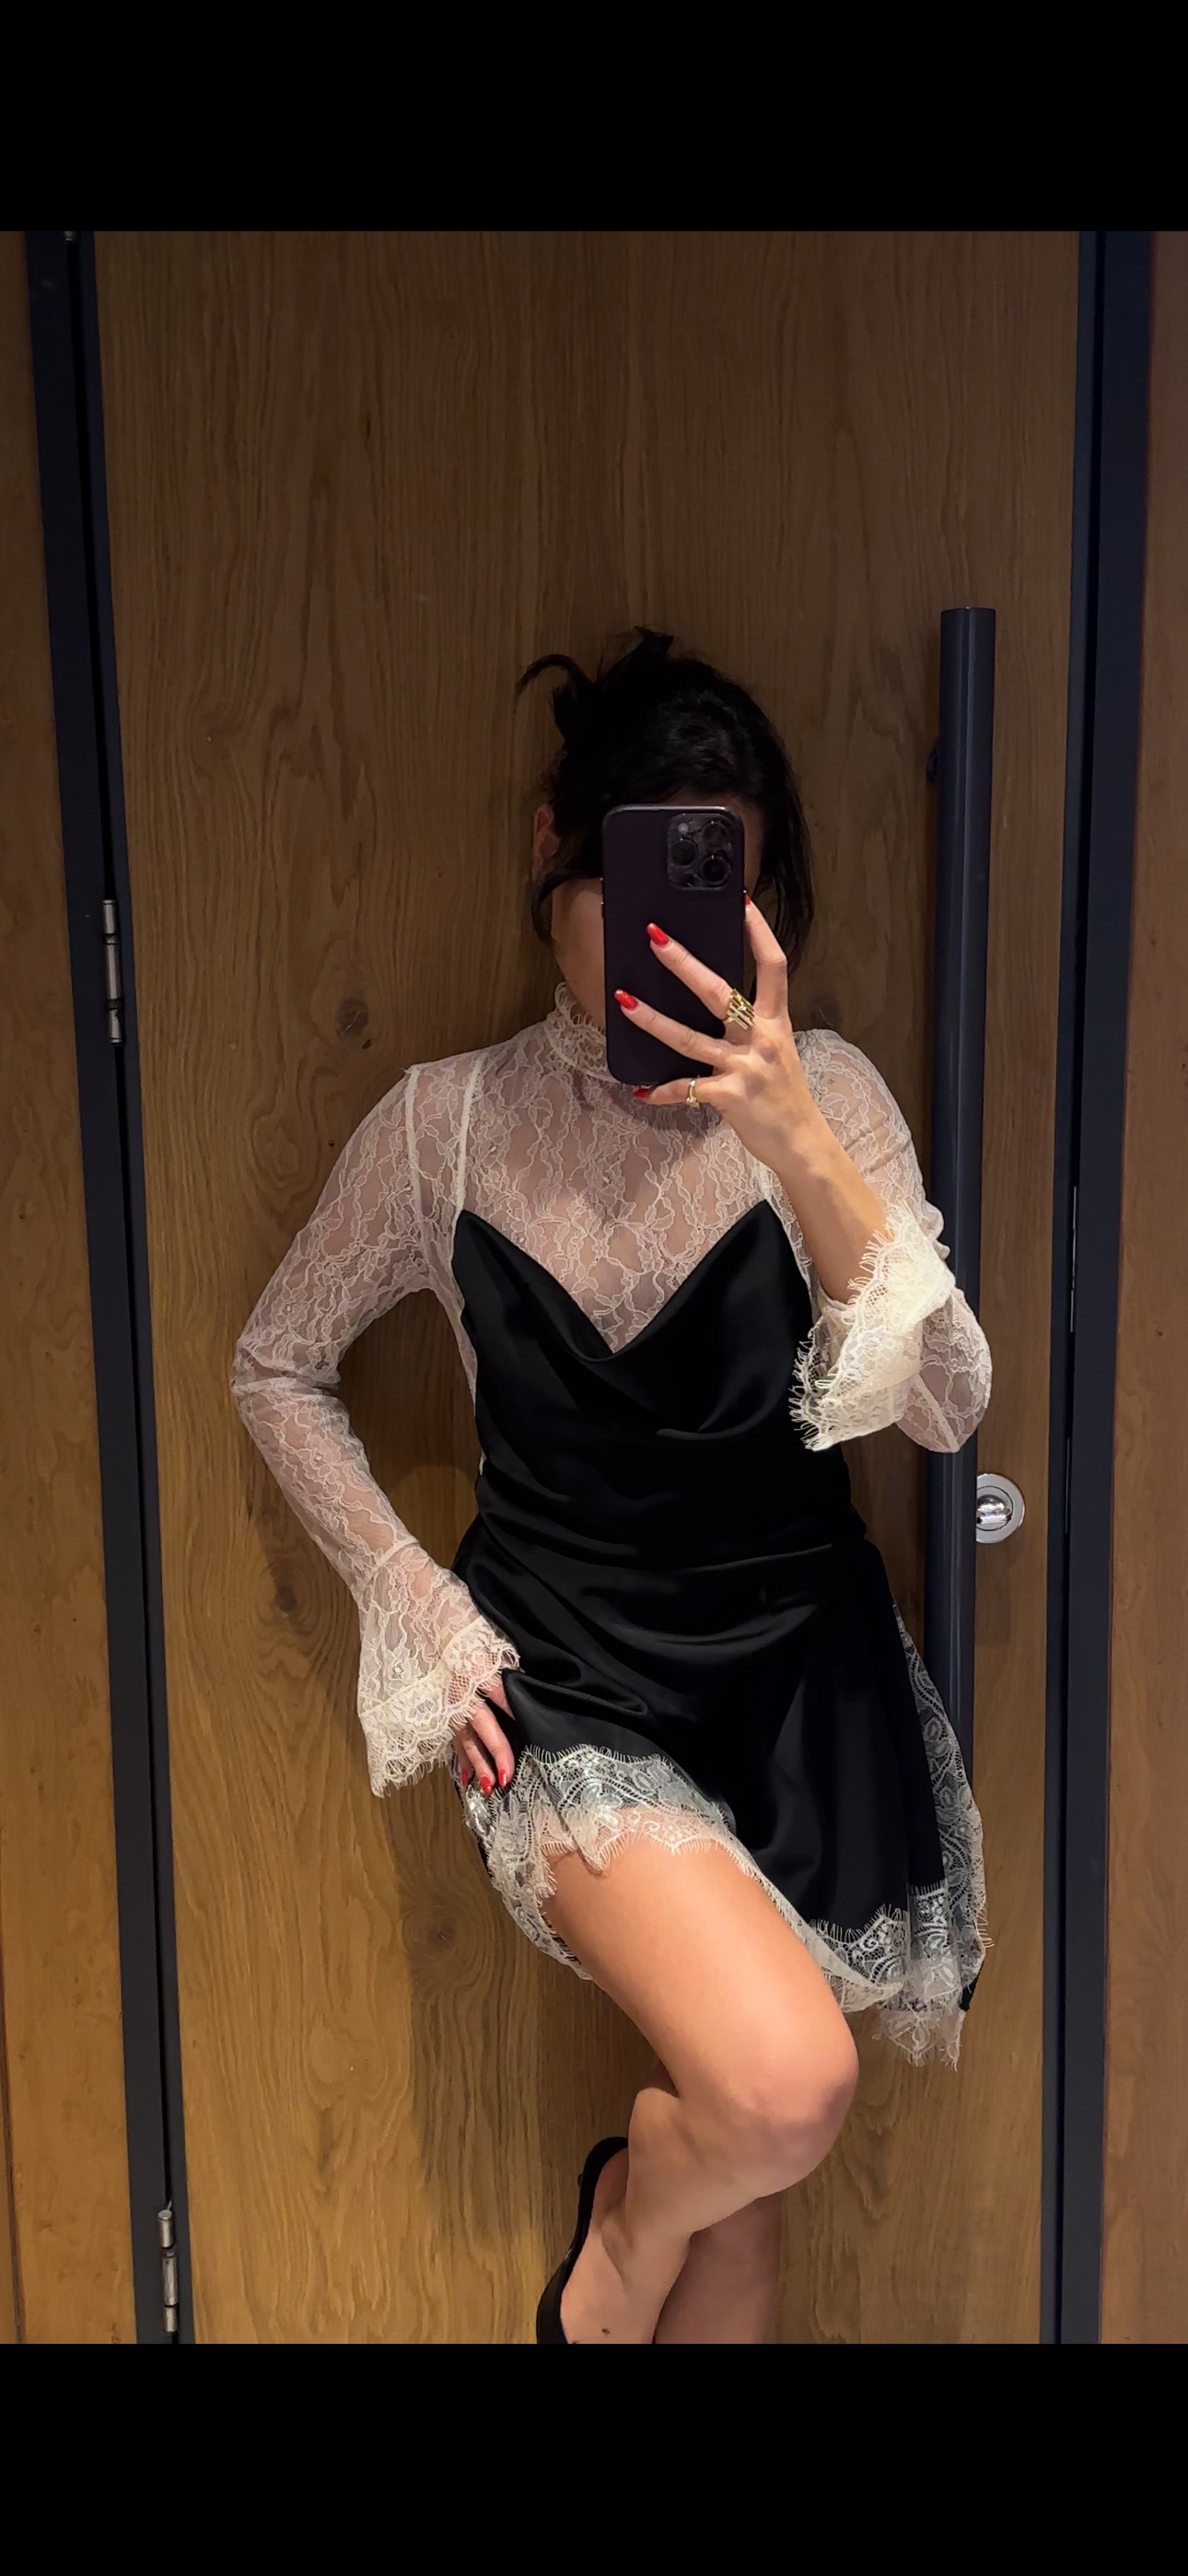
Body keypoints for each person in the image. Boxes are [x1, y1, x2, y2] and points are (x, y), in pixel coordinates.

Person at [231, 630, 990, 2344]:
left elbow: (949, 1407)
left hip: (799, 1690)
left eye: (712, 894)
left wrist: (791, 1137)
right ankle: (612, 2255)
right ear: (548, 852)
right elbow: (273, 1364)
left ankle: (643, 2242)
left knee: (748, 2172)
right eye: (629, 885)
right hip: (571, 1687)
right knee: (778, 2089)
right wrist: (425, 1617)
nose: (664, 945)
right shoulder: (444, 1128)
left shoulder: (828, 1097)